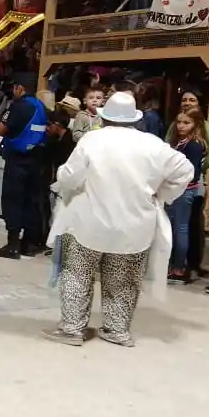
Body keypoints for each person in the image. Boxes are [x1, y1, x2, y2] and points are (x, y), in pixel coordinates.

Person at [44, 92, 193, 346]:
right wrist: (162, 194)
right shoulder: (153, 144)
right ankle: (117, 330)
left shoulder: (93, 139)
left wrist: (64, 182)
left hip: (88, 223)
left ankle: (72, 330)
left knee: (78, 274)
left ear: (105, 116)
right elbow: (186, 170)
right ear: (134, 119)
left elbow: (69, 176)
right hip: (135, 226)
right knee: (123, 279)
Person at [0, 73, 47, 258]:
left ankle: (12, 244)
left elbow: (1, 129)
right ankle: (29, 244)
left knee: (12, 199)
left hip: (17, 159)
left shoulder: (19, 106)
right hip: (36, 159)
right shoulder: (40, 106)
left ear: (20, 88)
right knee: (30, 200)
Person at [165, 109, 208, 284]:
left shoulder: (195, 145)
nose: (181, 126)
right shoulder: (178, 142)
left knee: (181, 229)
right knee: (171, 228)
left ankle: (179, 268)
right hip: (173, 189)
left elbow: (193, 172)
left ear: (196, 124)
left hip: (185, 190)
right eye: (179, 122)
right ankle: (171, 265)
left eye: (186, 122)